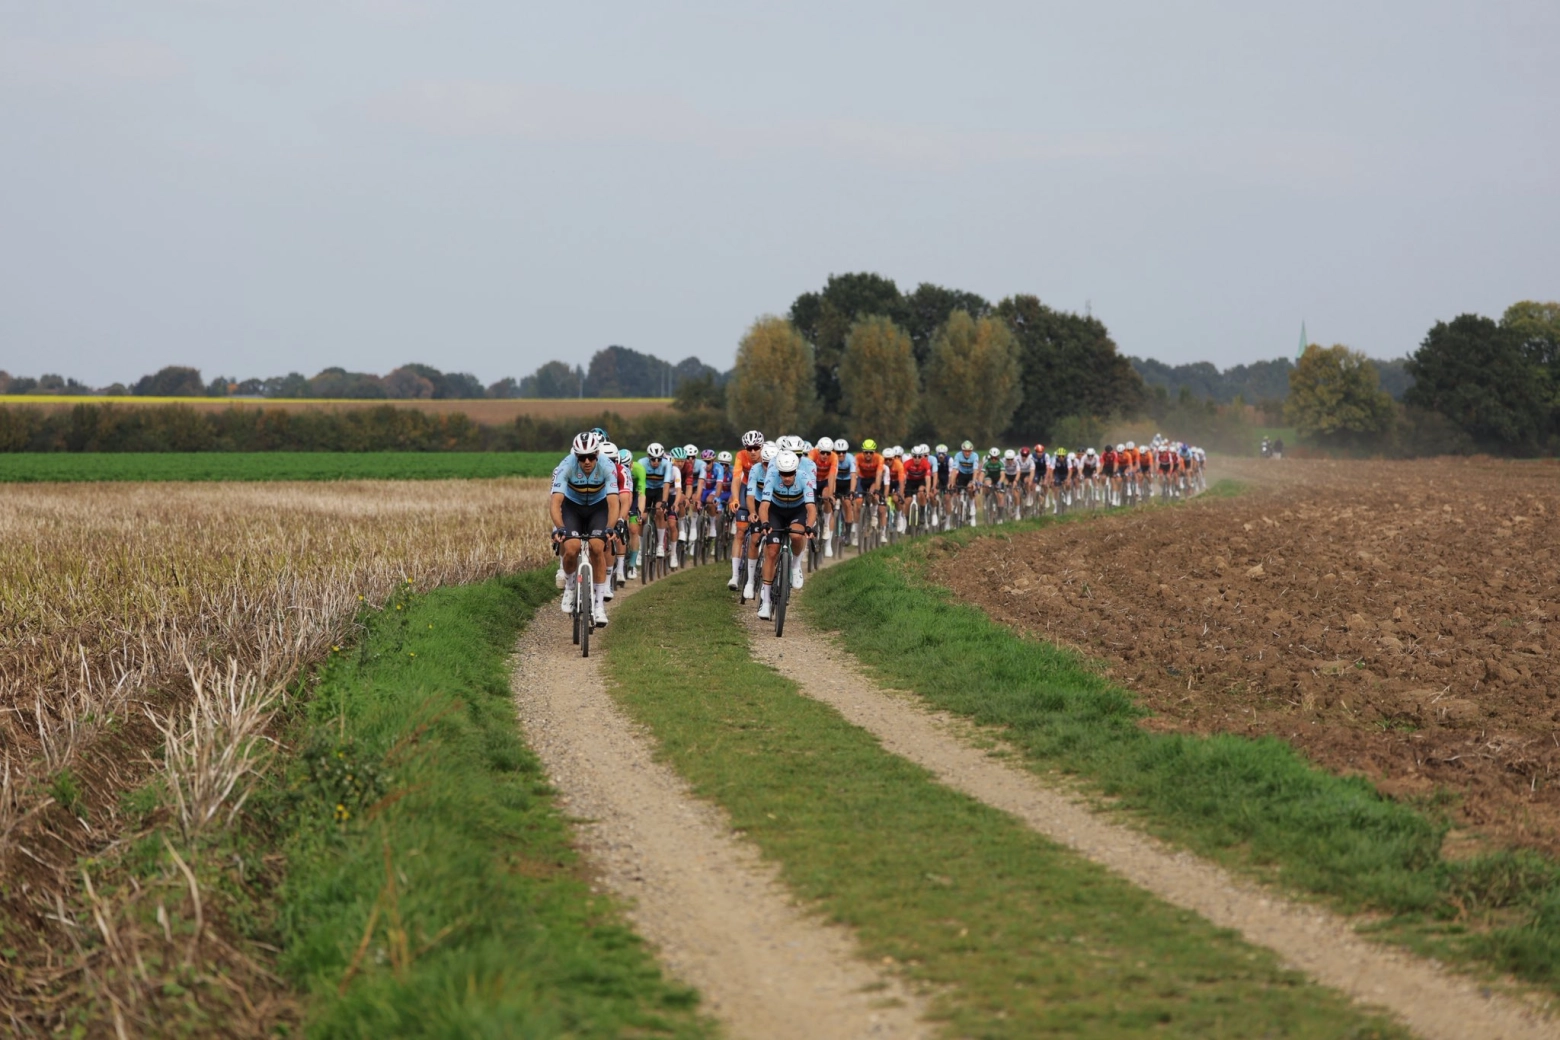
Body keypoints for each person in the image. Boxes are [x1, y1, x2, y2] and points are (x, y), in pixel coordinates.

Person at [549, 431, 621, 626]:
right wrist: (559, 527)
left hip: (598, 508)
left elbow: (613, 502)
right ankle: (570, 587)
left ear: (597, 453)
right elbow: (556, 502)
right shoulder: (566, 465)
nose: (587, 461)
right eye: (582, 457)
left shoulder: (607, 466)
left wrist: (610, 527)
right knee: (571, 549)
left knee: (597, 548)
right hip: (572, 508)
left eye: (591, 456)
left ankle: (599, 606)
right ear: (576, 456)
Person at [756, 449, 816, 621]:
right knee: (772, 551)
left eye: (790, 473)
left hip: (797, 511)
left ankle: (795, 566)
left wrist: (809, 527)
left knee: (797, 536)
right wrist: (765, 523)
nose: (787, 477)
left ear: (795, 471)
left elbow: (811, 508)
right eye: (783, 473)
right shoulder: (772, 476)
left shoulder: (804, 477)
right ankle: (766, 602)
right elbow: (764, 505)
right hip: (776, 512)